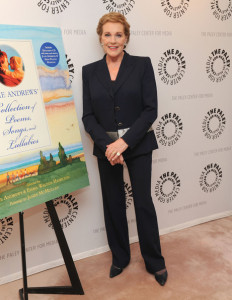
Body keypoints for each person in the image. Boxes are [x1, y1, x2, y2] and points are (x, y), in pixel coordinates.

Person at [82, 12, 168, 286]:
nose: (113, 40)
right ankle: (120, 258)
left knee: (143, 203)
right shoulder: (89, 71)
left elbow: (150, 109)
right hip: (107, 150)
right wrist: (109, 146)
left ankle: (155, 261)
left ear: (126, 37)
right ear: (100, 38)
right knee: (113, 204)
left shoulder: (142, 66)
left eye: (118, 34)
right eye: (107, 34)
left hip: (138, 143)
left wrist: (125, 142)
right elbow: (88, 117)